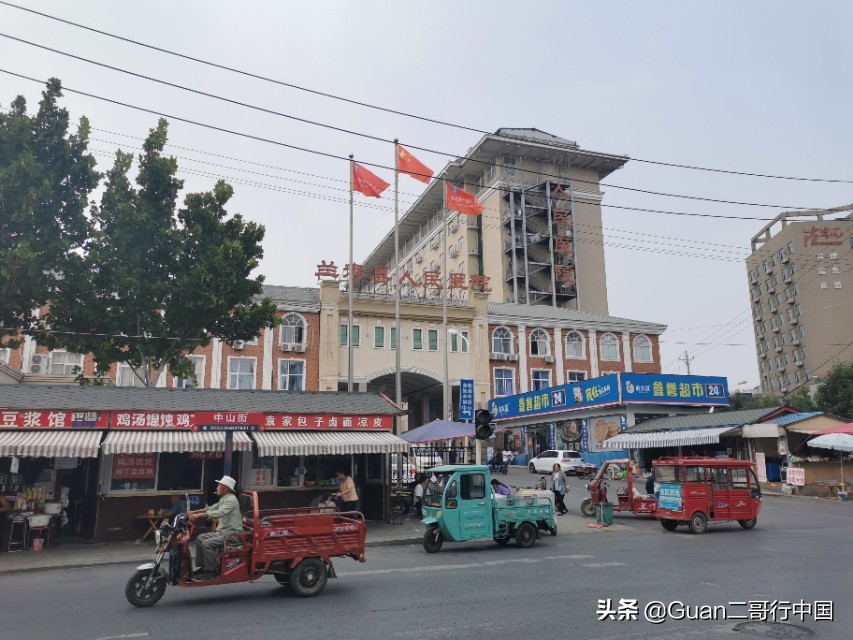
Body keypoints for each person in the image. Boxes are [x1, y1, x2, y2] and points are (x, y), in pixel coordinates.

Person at [187, 475, 242, 580]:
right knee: (200, 538)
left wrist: (198, 516)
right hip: (222, 532)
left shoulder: (231, 499)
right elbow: (212, 508)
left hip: (232, 534)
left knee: (207, 544)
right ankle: (205, 568)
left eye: (219, 485)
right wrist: (194, 512)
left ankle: (212, 571)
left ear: (225, 487)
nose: (216, 487)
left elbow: (219, 512)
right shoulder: (224, 498)